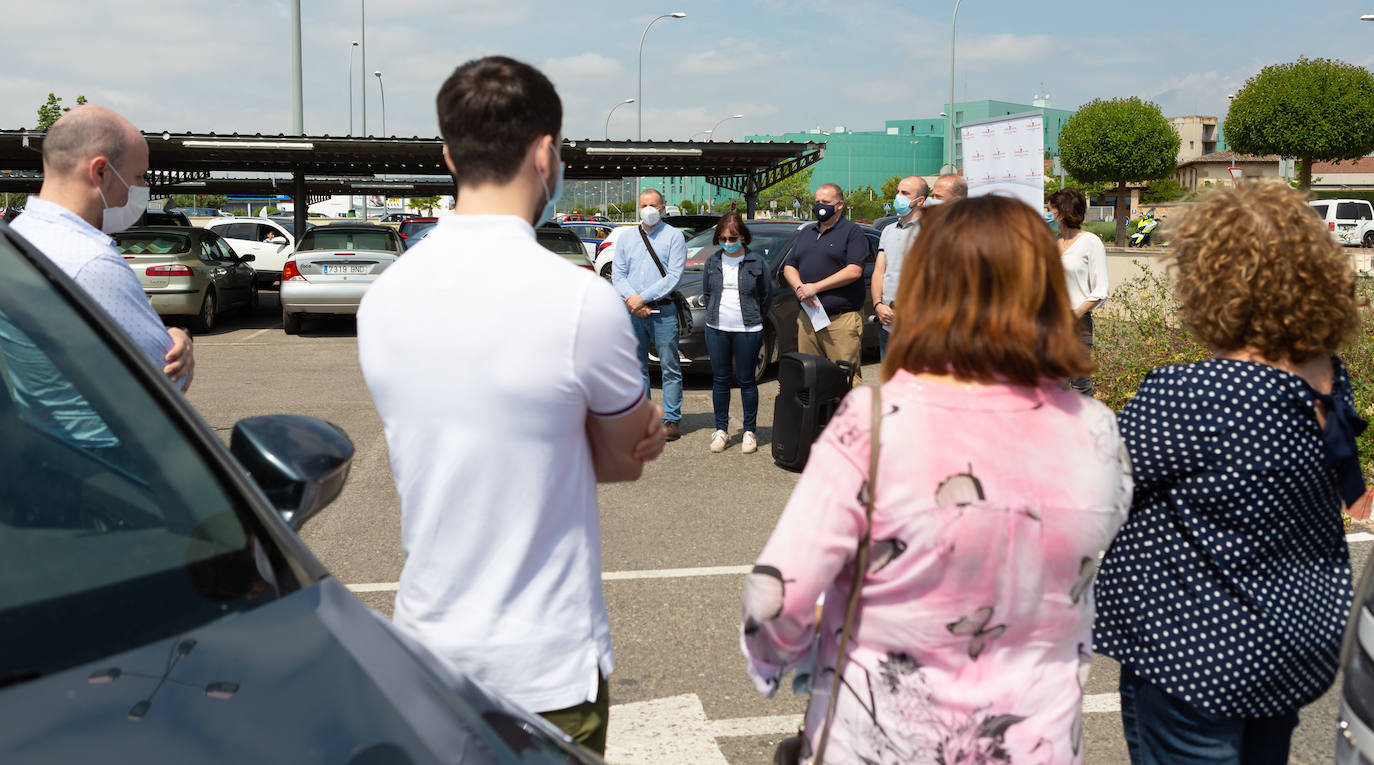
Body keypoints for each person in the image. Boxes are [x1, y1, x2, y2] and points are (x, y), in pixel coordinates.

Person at [742, 195, 1132, 765]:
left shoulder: (874, 425)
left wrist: (779, 665)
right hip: (1032, 743)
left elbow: (777, 597)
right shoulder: (1097, 432)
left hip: (882, 739)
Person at [356, 56, 666, 755]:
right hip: (547, 672)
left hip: (427, 655)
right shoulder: (582, 301)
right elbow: (621, 460)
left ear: (448, 154)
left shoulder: (384, 300)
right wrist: (610, 433)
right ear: (545, 153)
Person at [1094, 183, 1363, 765]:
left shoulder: (1192, 395)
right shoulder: (1327, 380)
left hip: (1194, 653)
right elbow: (1349, 487)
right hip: (1292, 642)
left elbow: (1096, 486)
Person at [11, 105, 193, 390]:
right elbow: (168, 378)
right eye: (139, 177)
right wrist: (180, 339)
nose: (144, 187)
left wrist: (171, 333)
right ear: (100, 172)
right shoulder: (91, 263)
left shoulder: (17, 237)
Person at [611, 188, 686, 441]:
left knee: (670, 366)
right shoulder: (627, 238)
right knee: (637, 366)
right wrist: (634, 302)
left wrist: (643, 298)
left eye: (653, 205)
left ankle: (671, 419)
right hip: (633, 312)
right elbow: (618, 274)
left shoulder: (675, 237)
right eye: (643, 205)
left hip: (663, 310)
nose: (648, 210)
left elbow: (674, 276)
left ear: (663, 208)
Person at [782, 183, 869, 385]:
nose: (821, 206)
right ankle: (819, 418)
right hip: (809, 319)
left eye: (826, 202)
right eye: (818, 202)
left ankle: (851, 417)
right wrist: (799, 289)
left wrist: (816, 287)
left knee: (846, 378)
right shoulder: (807, 232)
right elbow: (789, 266)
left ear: (839, 205)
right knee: (810, 377)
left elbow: (854, 270)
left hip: (840, 320)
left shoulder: (852, 232)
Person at [699, 212, 771, 454]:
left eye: (733, 238)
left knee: (747, 379)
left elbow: (765, 297)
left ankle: (749, 431)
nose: (728, 242)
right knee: (720, 380)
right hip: (717, 328)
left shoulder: (757, 263)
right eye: (724, 238)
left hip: (748, 329)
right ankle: (722, 430)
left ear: (743, 237)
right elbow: (708, 294)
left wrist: (754, 318)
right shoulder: (712, 262)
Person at [1047, 188, 1108, 396]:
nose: (1047, 214)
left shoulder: (1090, 243)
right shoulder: (1051, 242)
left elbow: (1100, 290)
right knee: (1054, 385)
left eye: (1050, 210)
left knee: (1080, 385)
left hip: (1078, 323)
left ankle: (1088, 427)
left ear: (1062, 212)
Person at [871, 176, 929, 359]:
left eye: (905, 193)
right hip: (886, 321)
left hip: (916, 323)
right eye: (898, 191)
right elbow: (879, 270)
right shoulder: (888, 230)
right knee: (889, 381)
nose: (898, 197)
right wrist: (878, 304)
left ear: (920, 201)